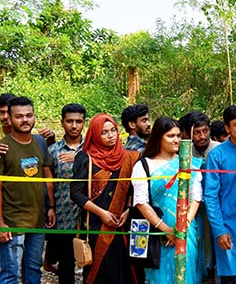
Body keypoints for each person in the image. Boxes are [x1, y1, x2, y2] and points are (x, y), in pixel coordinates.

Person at [70, 113, 140, 284]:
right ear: (94, 134)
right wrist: (102, 213)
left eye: (113, 130)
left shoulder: (130, 157)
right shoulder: (85, 158)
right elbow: (76, 193)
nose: (111, 136)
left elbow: (134, 189)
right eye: (104, 132)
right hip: (96, 224)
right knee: (100, 273)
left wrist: (128, 210)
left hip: (122, 225)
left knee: (125, 272)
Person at [131, 117, 203, 284]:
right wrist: (166, 230)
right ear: (158, 137)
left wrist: (181, 228)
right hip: (157, 235)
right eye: (171, 136)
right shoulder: (144, 165)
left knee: (186, 275)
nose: (177, 140)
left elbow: (196, 198)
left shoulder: (190, 163)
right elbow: (141, 202)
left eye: (178, 135)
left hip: (186, 232)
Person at [0, 96, 57, 284]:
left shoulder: (40, 142)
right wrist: (1, 222)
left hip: (38, 221)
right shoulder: (3, 147)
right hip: (12, 223)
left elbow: (47, 177)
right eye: (19, 116)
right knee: (10, 274)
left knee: (33, 270)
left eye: (29, 115)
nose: (25, 120)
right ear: (9, 117)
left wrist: (50, 207)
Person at [204, 106, 236, 283]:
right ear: (227, 128)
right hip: (228, 226)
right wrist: (219, 230)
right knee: (233, 277)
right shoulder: (216, 155)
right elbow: (210, 196)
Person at [44, 103, 86, 284]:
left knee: (90, 260)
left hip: (89, 214)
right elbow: (49, 183)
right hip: (63, 214)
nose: (74, 126)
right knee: (66, 263)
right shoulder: (53, 151)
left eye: (79, 121)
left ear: (85, 122)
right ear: (62, 122)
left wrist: (80, 159)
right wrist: (51, 207)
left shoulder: (92, 149)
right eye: (70, 121)